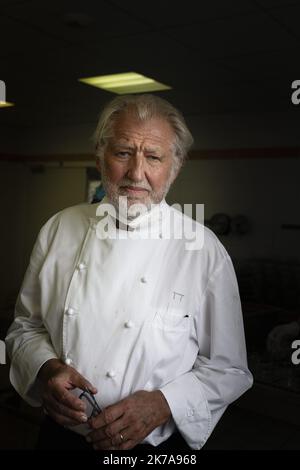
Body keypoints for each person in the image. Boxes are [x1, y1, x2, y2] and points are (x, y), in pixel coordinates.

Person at [5, 94, 253, 452]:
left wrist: (164, 403)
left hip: (154, 449)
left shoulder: (203, 249)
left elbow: (230, 369)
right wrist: (46, 369)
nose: (137, 173)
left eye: (153, 156)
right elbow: (25, 327)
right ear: (99, 155)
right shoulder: (60, 228)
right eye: (123, 153)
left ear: (176, 165)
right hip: (62, 435)